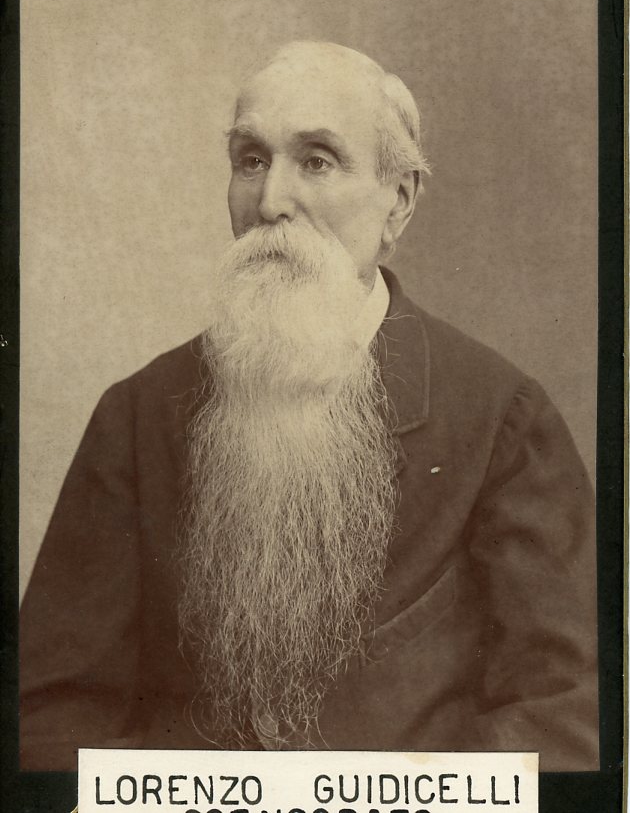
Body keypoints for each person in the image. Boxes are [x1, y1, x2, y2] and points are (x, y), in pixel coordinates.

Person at [20, 41, 598, 773]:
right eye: (251, 160)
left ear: (398, 202)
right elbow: (52, 713)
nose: (270, 202)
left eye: (317, 161)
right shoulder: (137, 415)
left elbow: (564, 713)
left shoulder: (501, 418)